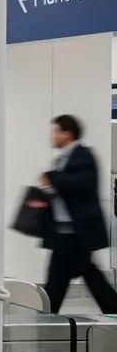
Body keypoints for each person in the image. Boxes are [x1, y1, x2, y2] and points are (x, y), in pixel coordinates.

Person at [40, 114, 117, 314]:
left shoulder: (83, 155)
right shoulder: (64, 158)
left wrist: (52, 177)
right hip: (68, 232)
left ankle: (47, 315)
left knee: (62, 278)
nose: (53, 135)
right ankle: (48, 313)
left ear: (68, 133)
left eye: (57, 131)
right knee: (86, 274)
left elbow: (81, 183)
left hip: (77, 232)